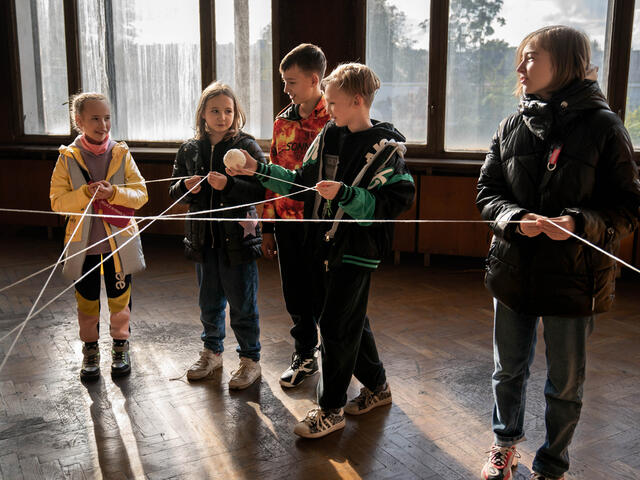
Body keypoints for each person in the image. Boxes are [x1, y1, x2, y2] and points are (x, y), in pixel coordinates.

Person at [476, 26, 640, 480]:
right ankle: (504, 445)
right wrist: (512, 218)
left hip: (576, 279)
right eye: (521, 58)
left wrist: (577, 223)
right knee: (507, 371)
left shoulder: (605, 127)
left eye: (530, 57)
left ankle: (552, 464)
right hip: (512, 271)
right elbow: (487, 192)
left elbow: (628, 209)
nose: (519, 67)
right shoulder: (511, 125)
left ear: (564, 62)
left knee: (565, 385)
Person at [227, 63, 416, 438]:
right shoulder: (329, 134)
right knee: (349, 320)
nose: (327, 110)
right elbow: (300, 181)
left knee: (333, 325)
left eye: (333, 103)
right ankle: (377, 388)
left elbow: (396, 199)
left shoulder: (387, 147)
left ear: (358, 101)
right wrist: (258, 170)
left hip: (359, 249)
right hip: (324, 243)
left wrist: (347, 194)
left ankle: (330, 409)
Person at [169, 81, 266, 390]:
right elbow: (173, 191)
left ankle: (250, 360)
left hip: (237, 243)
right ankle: (212, 352)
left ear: (236, 113)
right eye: (215, 111)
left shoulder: (247, 146)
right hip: (204, 243)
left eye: (228, 110)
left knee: (243, 304)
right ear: (203, 114)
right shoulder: (189, 149)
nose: (222, 116)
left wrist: (229, 187)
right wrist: (187, 188)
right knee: (209, 302)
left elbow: (261, 190)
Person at [50, 92, 148, 380]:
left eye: (106, 118)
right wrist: (83, 194)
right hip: (84, 247)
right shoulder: (67, 158)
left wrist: (114, 192)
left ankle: (120, 346)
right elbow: (57, 202)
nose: (103, 124)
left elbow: (141, 194)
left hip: (119, 246)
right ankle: (90, 351)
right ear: (78, 121)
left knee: (120, 300)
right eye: (95, 118)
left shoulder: (121, 153)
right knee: (87, 301)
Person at [263, 43, 331, 388]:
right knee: (295, 293)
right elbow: (273, 177)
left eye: (291, 82)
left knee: (326, 294)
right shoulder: (281, 122)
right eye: (284, 82)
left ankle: (334, 357)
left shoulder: (334, 121)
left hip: (323, 225)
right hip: (287, 222)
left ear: (314, 79)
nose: (286, 89)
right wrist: (268, 226)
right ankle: (305, 354)